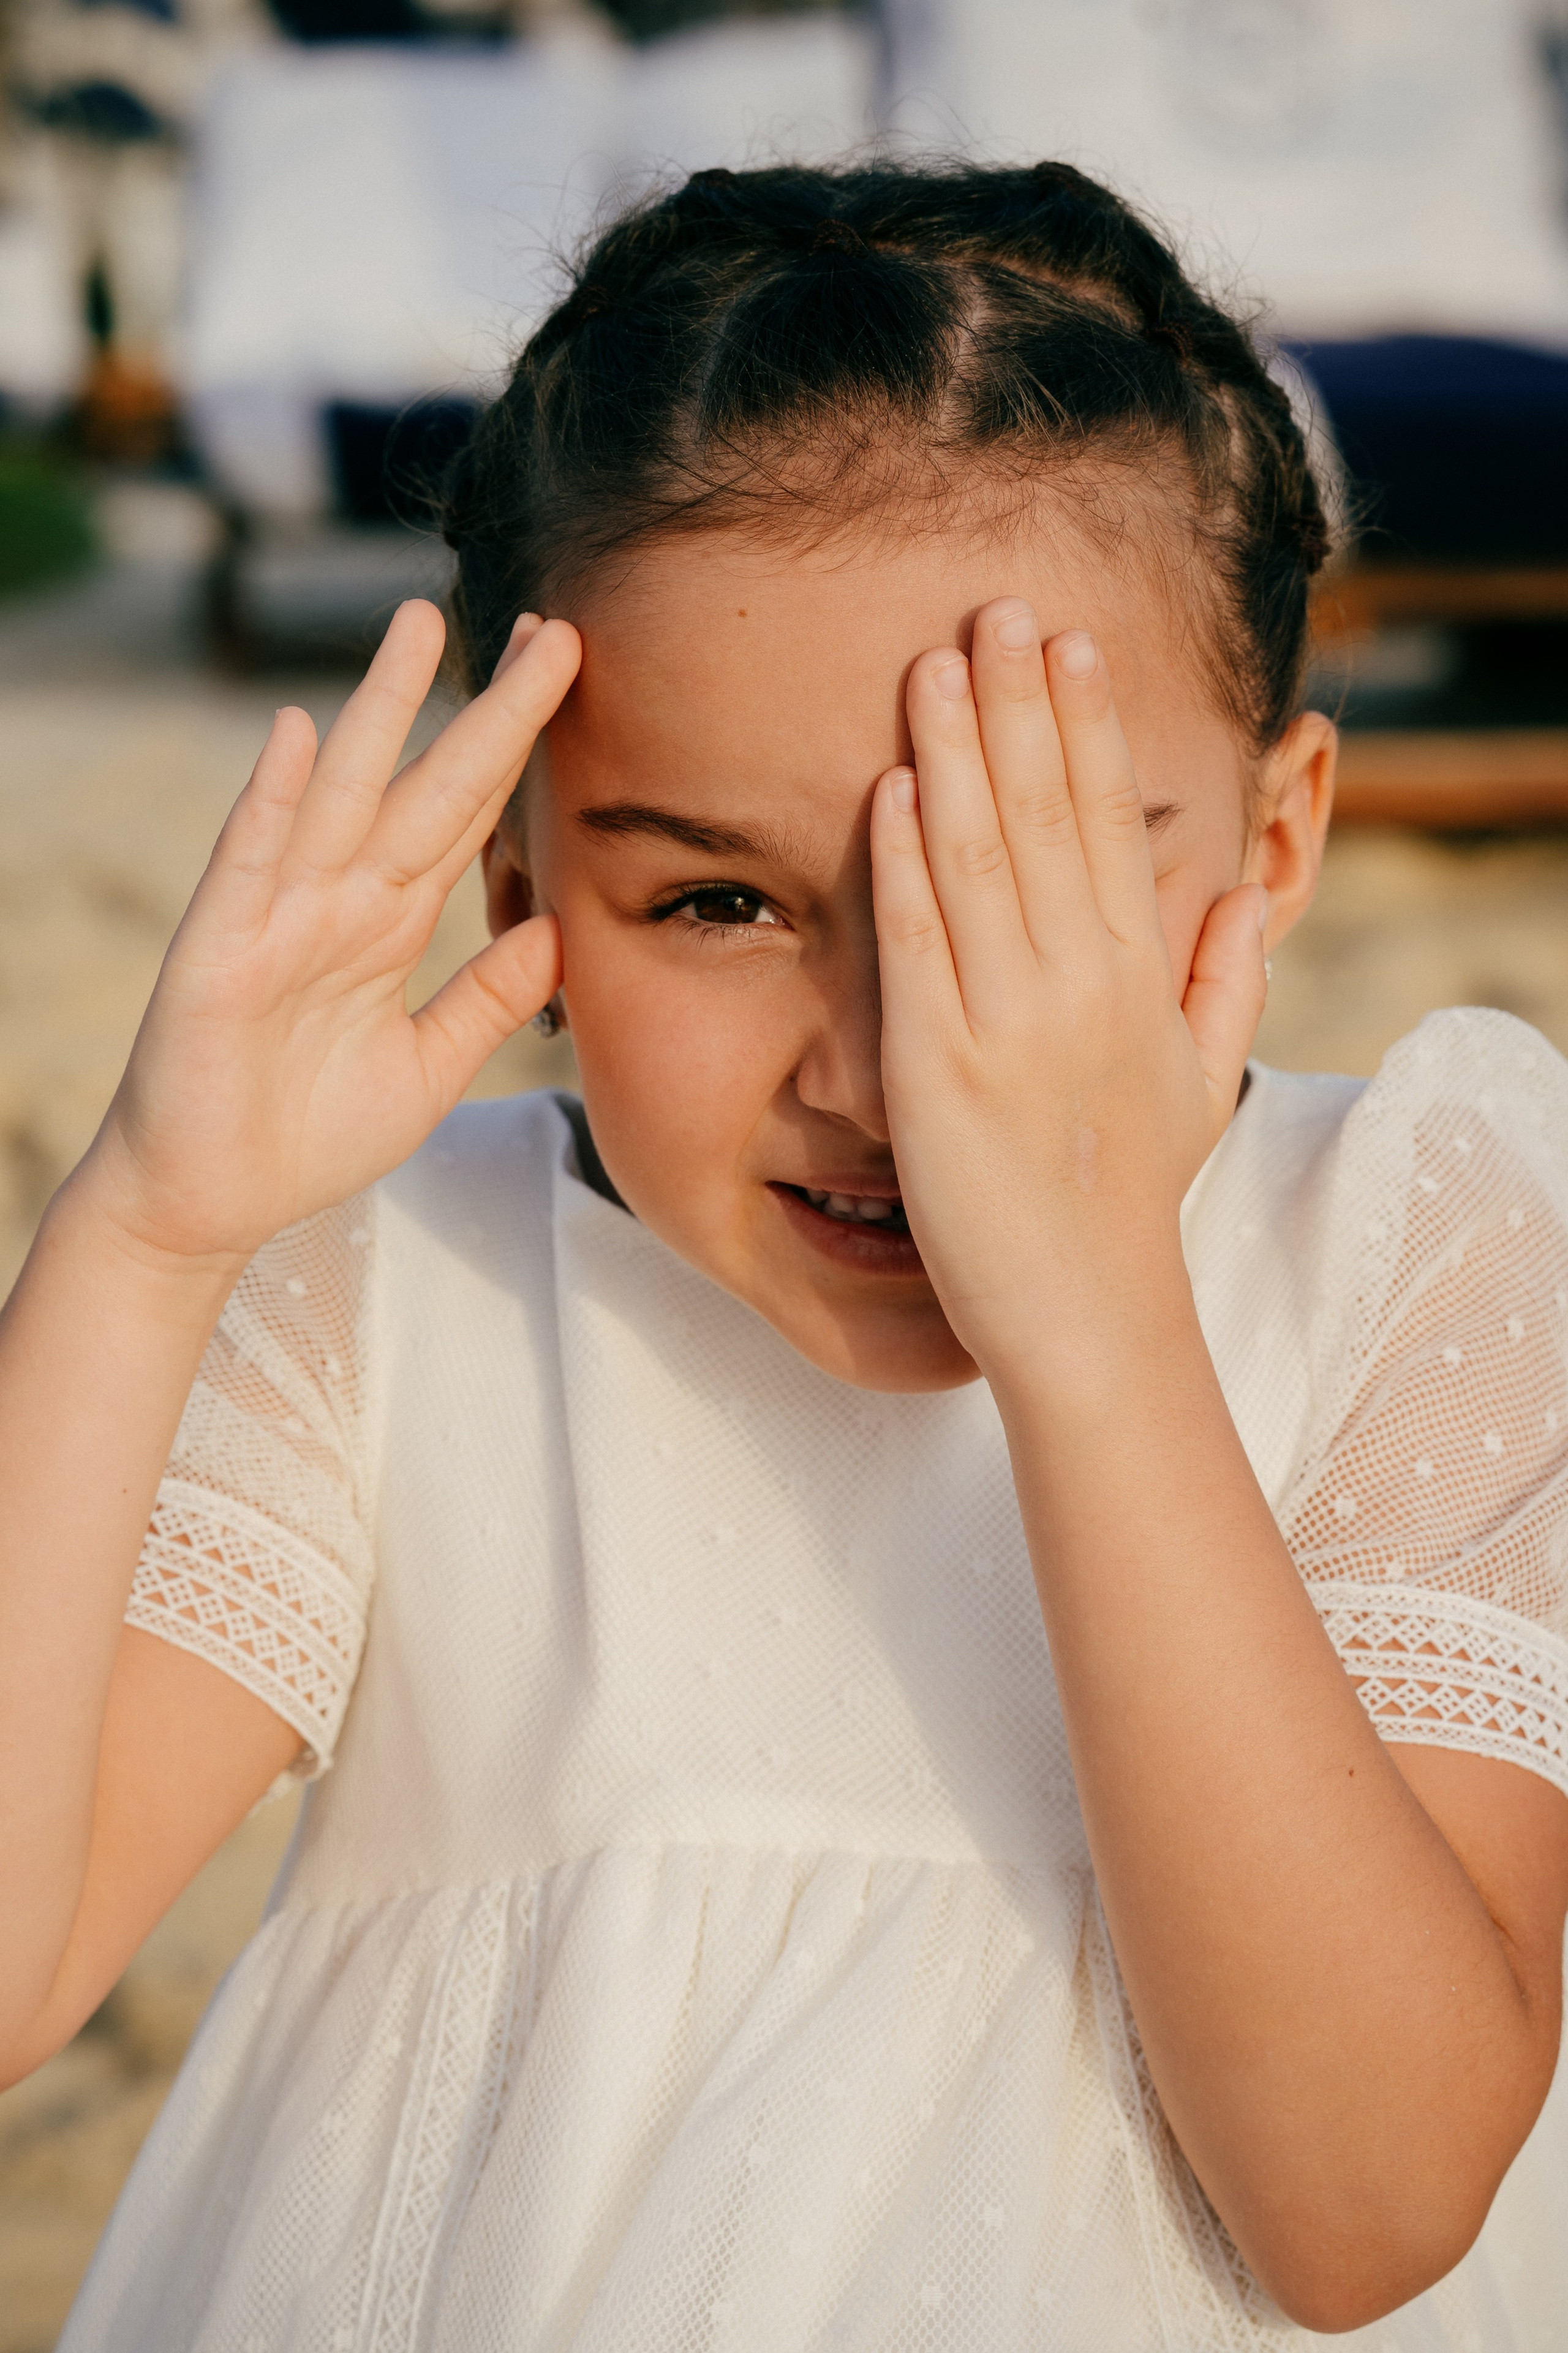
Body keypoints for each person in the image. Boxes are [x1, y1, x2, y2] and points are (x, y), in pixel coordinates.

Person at [4, 161, 1568, 2350]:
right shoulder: (402, 1290)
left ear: (1280, 837)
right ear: (513, 889)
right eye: (716, 903)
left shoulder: (1413, 1234)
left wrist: (1101, 1325)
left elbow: (1369, 2201)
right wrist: (147, 1233)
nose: (883, 1066)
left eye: (1013, 897)